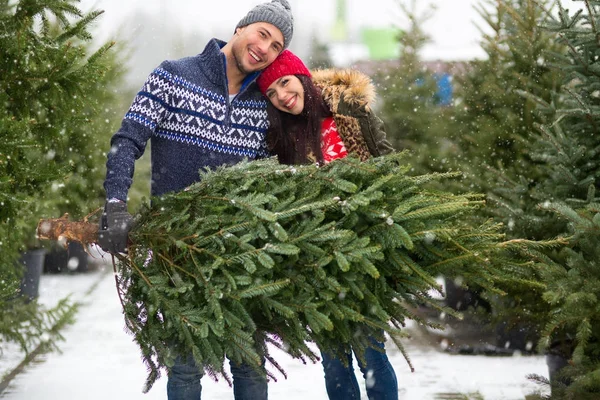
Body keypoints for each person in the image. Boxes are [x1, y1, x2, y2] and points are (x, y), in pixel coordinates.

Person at [97, 1, 294, 399]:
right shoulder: (173, 76)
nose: (264, 48)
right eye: (262, 33)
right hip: (179, 254)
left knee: (251, 370)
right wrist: (115, 203)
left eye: (276, 46)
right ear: (241, 28)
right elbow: (127, 140)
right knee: (185, 371)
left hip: (243, 257)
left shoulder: (264, 104)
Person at [256, 50, 398, 399]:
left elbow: (385, 162)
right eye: (271, 94)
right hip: (317, 257)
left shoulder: (349, 110)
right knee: (334, 361)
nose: (282, 97)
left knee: (371, 353)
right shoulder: (281, 138)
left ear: (301, 76)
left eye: (285, 83)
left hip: (364, 249)